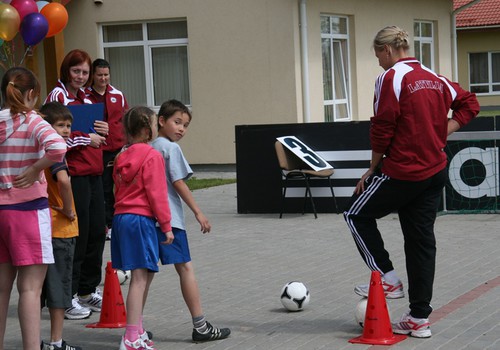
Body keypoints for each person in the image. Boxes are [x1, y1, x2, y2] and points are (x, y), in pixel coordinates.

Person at [343, 26, 480, 338]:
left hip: (403, 171)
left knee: (354, 213)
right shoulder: (434, 76)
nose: (377, 61)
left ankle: (386, 278)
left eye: (377, 53)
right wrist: (447, 128)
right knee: (421, 243)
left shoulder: (390, 78)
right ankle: (418, 318)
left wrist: (371, 169)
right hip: (434, 173)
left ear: (388, 50)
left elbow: (381, 128)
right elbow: (469, 103)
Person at [151, 99, 231, 343]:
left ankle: (134, 328)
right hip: (169, 220)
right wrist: (198, 212)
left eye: (185, 125)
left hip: (147, 218)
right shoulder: (170, 149)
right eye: (177, 122)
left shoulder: (148, 146)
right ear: (161, 120)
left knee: (143, 274)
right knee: (185, 269)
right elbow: (179, 182)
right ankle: (201, 326)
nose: (182, 129)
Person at [0, 67, 66, 350]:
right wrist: (35, 168)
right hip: (29, 211)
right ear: (30, 94)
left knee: (2, 288)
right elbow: (58, 147)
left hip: (1, 212)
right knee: (30, 288)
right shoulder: (33, 121)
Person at [45, 49, 109, 320]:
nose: (81, 77)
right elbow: (52, 138)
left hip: (93, 171)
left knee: (96, 231)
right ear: (66, 70)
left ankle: (86, 289)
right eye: (76, 71)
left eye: (85, 72)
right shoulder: (57, 96)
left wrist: (101, 132)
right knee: (77, 237)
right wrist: (86, 139)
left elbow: (89, 132)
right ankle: (67, 296)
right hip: (72, 174)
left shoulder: (86, 96)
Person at [111, 106, 173, 350]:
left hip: (122, 218)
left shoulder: (120, 156)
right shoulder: (151, 156)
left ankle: (137, 329)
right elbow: (157, 194)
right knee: (139, 278)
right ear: (147, 129)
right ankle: (130, 337)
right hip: (140, 220)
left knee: (144, 276)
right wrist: (166, 226)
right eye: (156, 123)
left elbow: (117, 190)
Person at [39, 102, 84, 350]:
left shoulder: (36, 153)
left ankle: (33, 340)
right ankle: (56, 342)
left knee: (36, 290)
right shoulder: (56, 153)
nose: (66, 130)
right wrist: (68, 209)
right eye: (60, 125)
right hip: (61, 230)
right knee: (59, 292)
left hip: (41, 226)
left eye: (68, 126)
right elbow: (64, 182)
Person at [86, 59, 129, 240]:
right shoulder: (85, 96)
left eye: (106, 75)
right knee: (102, 188)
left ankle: (115, 223)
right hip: (96, 150)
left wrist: (125, 142)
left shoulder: (117, 94)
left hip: (116, 148)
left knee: (118, 187)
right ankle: (105, 224)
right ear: (93, 76)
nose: (103, 78)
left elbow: (125, 121)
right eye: (100, 75)